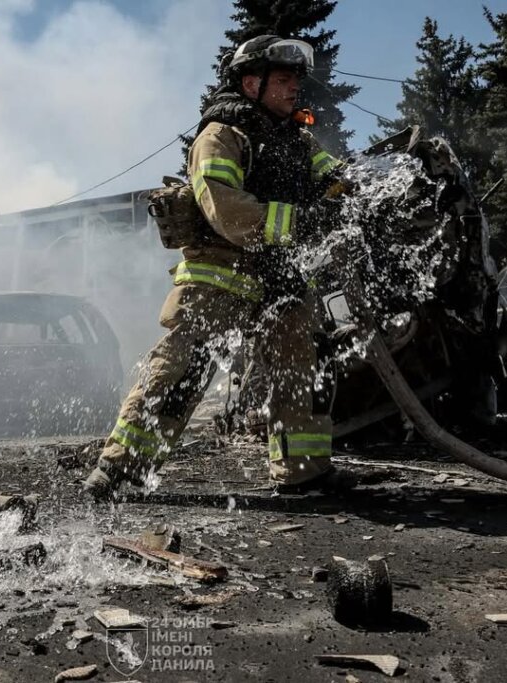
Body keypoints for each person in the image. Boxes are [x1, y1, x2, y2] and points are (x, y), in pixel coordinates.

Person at [83, 35, 351, 501]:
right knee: (181, 370)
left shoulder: (298, 140)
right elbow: (225, 209)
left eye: (295, 81)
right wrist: (305, 223)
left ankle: (303, 472)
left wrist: (354, 194)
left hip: (281, 276)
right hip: (222, 275)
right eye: (283, 80)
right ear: (251, 83)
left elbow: (339, 180)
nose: (294, 90)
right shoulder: (221, 136)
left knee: (302, 366)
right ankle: (120, 469)